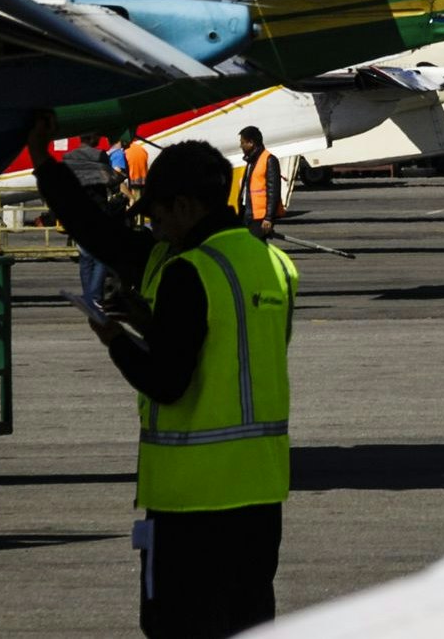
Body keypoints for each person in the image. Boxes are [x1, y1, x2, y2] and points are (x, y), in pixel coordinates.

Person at [33, 124, 301, 639]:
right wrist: (46, 166)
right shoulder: (274, 265)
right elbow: (102, 233)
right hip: (261, 496)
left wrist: (116, 338)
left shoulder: (188, 271)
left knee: (175, 626)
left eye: (155, 211)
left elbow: (168, 382)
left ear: (184, 206)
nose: (150, 222)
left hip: (190, 505)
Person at [231, 128, 285, 238]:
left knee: (255, 246)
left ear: (251, 143)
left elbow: (273, 191)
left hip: (260, 216)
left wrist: (268, 218)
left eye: (242, 143)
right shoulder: (252, 160)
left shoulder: (269, 160)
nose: (241, 146)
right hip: (249, 213)